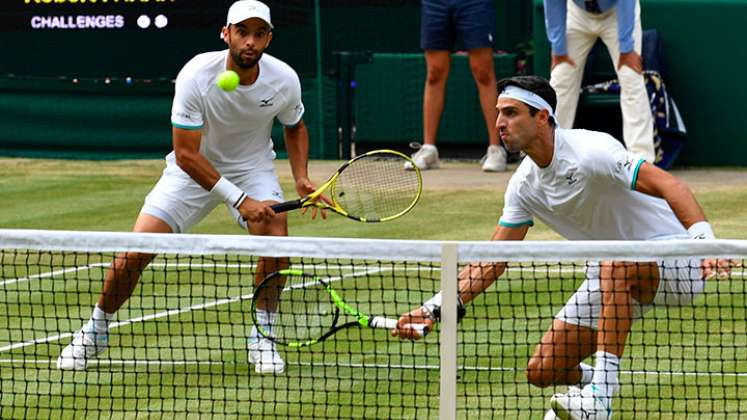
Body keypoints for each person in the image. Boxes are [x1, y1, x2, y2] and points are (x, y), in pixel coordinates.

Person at [394, 76, 734, 419]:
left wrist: (705, 243)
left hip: (676, 259)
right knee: (543, 370)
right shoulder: (523, 186)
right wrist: (433, 308)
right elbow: (494, 259)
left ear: (542, 116)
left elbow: (671, 184)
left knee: (614, 264)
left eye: (511, 113)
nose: (499, 123)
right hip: (612, 272)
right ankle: (593, 385)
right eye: (499, 114)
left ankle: (600, 397)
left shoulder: (591, 152)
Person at [56, 0, 323, 375]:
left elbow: (294, 125)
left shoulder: (284, 79)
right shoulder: (196, 74)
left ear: (268, 38)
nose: (249, 41)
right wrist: (239, 200)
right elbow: (185, 154)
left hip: (253, 169)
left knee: (276, 245)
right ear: (225, 33)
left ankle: (263, 336)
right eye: (241, 31)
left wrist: (300, 176)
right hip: (191, 171)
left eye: (258, 33)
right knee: (134, 253)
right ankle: (95, 330)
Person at [544, 0, 656, 163]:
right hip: (577, 13)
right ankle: (549, 156)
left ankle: (642, 161)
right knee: (561, 79)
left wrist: (626, 48)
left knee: (631, 77)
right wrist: (558, 47)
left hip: (618, 12)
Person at [406, 0, 508, 172]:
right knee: (434, 73)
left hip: (474, 4)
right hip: (435, 4)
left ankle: (496, 149)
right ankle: (429, 149)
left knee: (483, 72)